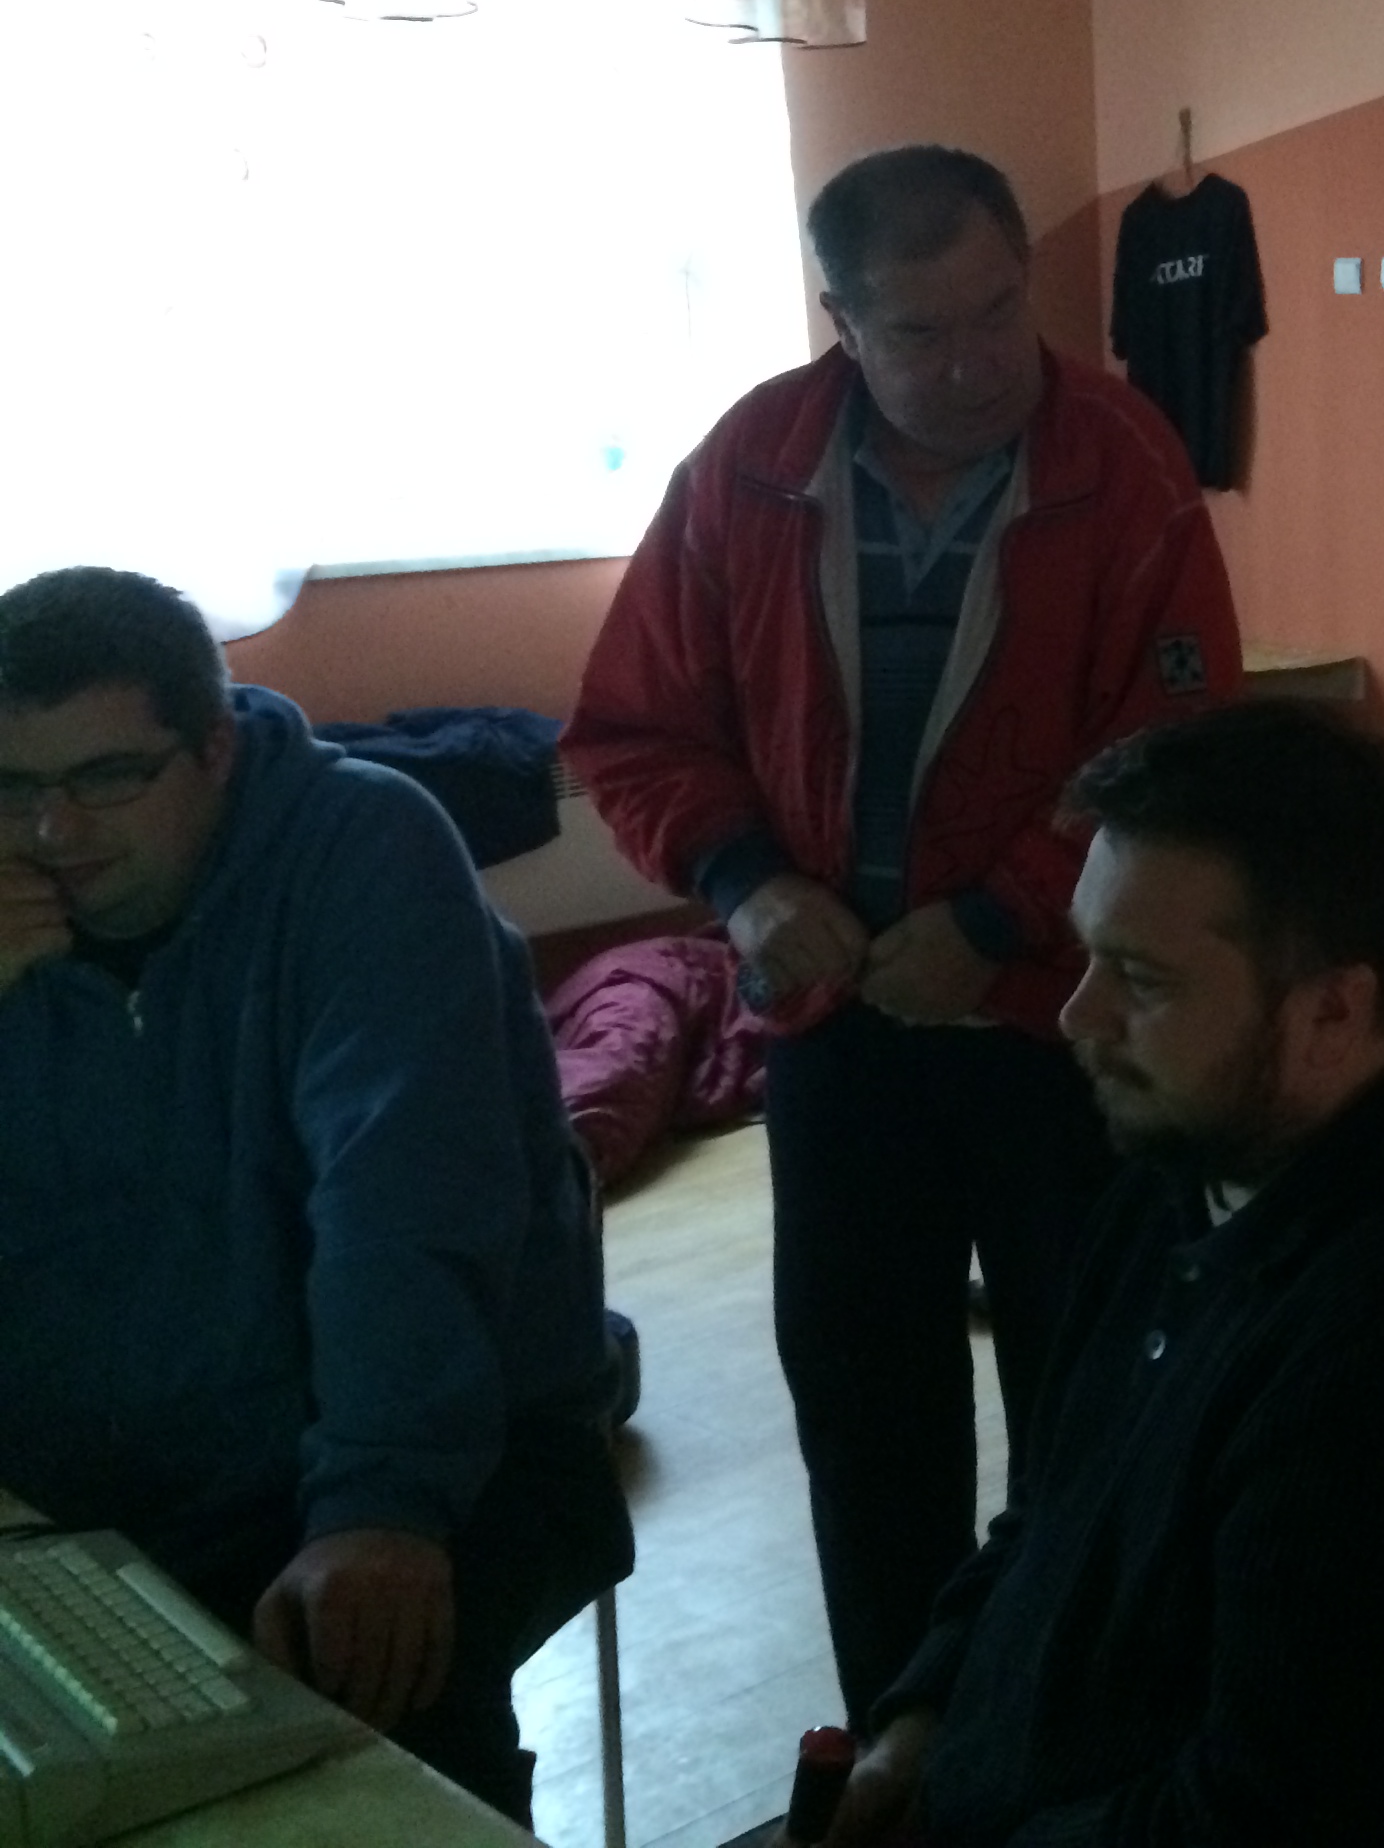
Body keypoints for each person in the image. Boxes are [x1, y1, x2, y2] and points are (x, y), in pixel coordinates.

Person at [564, 144, 1242, 1721]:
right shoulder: (746, 469)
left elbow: (1172, 752)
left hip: (1067, 1032)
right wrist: (747, 883)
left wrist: (999, 919)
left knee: (1098, 1410)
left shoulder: (1125, 465)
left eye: (1000, 312)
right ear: (842, 322)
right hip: (835, 1030)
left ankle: (1078, 1746)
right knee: (867, 1425)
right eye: (922, 332)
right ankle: (899, 1748)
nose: (978, 362)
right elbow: (636, 729)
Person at [799, 701, 1384, 1847]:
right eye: (1086, 955)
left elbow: (1260, 1817)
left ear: (1333, 1011)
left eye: (1141, 980)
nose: (1077, 1016)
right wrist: (917, 1724)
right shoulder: (1192, 1161)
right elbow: (1053, 1518)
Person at [0, 566, 629, 1826]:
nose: (55, 832)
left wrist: (380, 1503)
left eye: (108, 777)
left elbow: (403, 1202)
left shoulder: (365, 852)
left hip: (423, 1450)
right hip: (101, 1488)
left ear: (215, 749)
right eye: (15, 789)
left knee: (373, 1765)